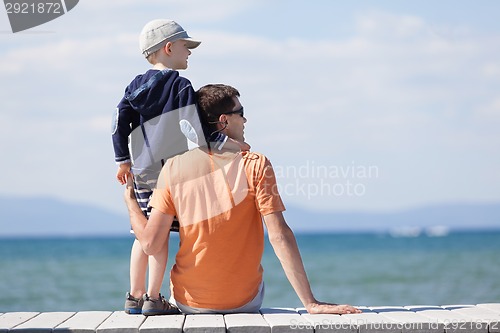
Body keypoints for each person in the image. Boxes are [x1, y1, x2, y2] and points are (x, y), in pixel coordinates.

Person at [124, 83, 361, 315]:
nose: (245, 120)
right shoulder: (256, 163)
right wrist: (311, 303)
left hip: (189, 302)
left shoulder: (173, 167)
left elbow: (151, 244)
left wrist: (131, 203)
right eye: (241, 113)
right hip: (245, 302)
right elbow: (279, 235)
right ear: (223, 121)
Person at [111, 20, 247, 316]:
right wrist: (227, 144)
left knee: (143, 236)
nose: (190, 53)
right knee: (159, 240)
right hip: (170, 174)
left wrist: (122, 160)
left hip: (141, 170)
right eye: (186, 47)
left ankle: (134, 296)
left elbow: (118, 123)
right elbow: (193, 128)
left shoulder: (135, 85)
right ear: (168, 48)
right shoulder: (180, 85)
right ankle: (154, 297)